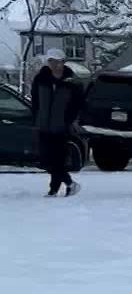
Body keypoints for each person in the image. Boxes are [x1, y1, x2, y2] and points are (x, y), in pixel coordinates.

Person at [29, 49, 86, 197]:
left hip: (61, 127)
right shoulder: (40, 79)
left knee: (58, 159)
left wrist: (68, 119)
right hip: (44, 125)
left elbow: (77, 104)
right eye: (52, 62)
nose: (55, 65)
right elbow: (35, 101)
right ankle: (69, 183)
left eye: (58, 62)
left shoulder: (71, 81)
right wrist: (37, 117)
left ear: (63, 62)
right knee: (47, 160)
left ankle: (54, 189)